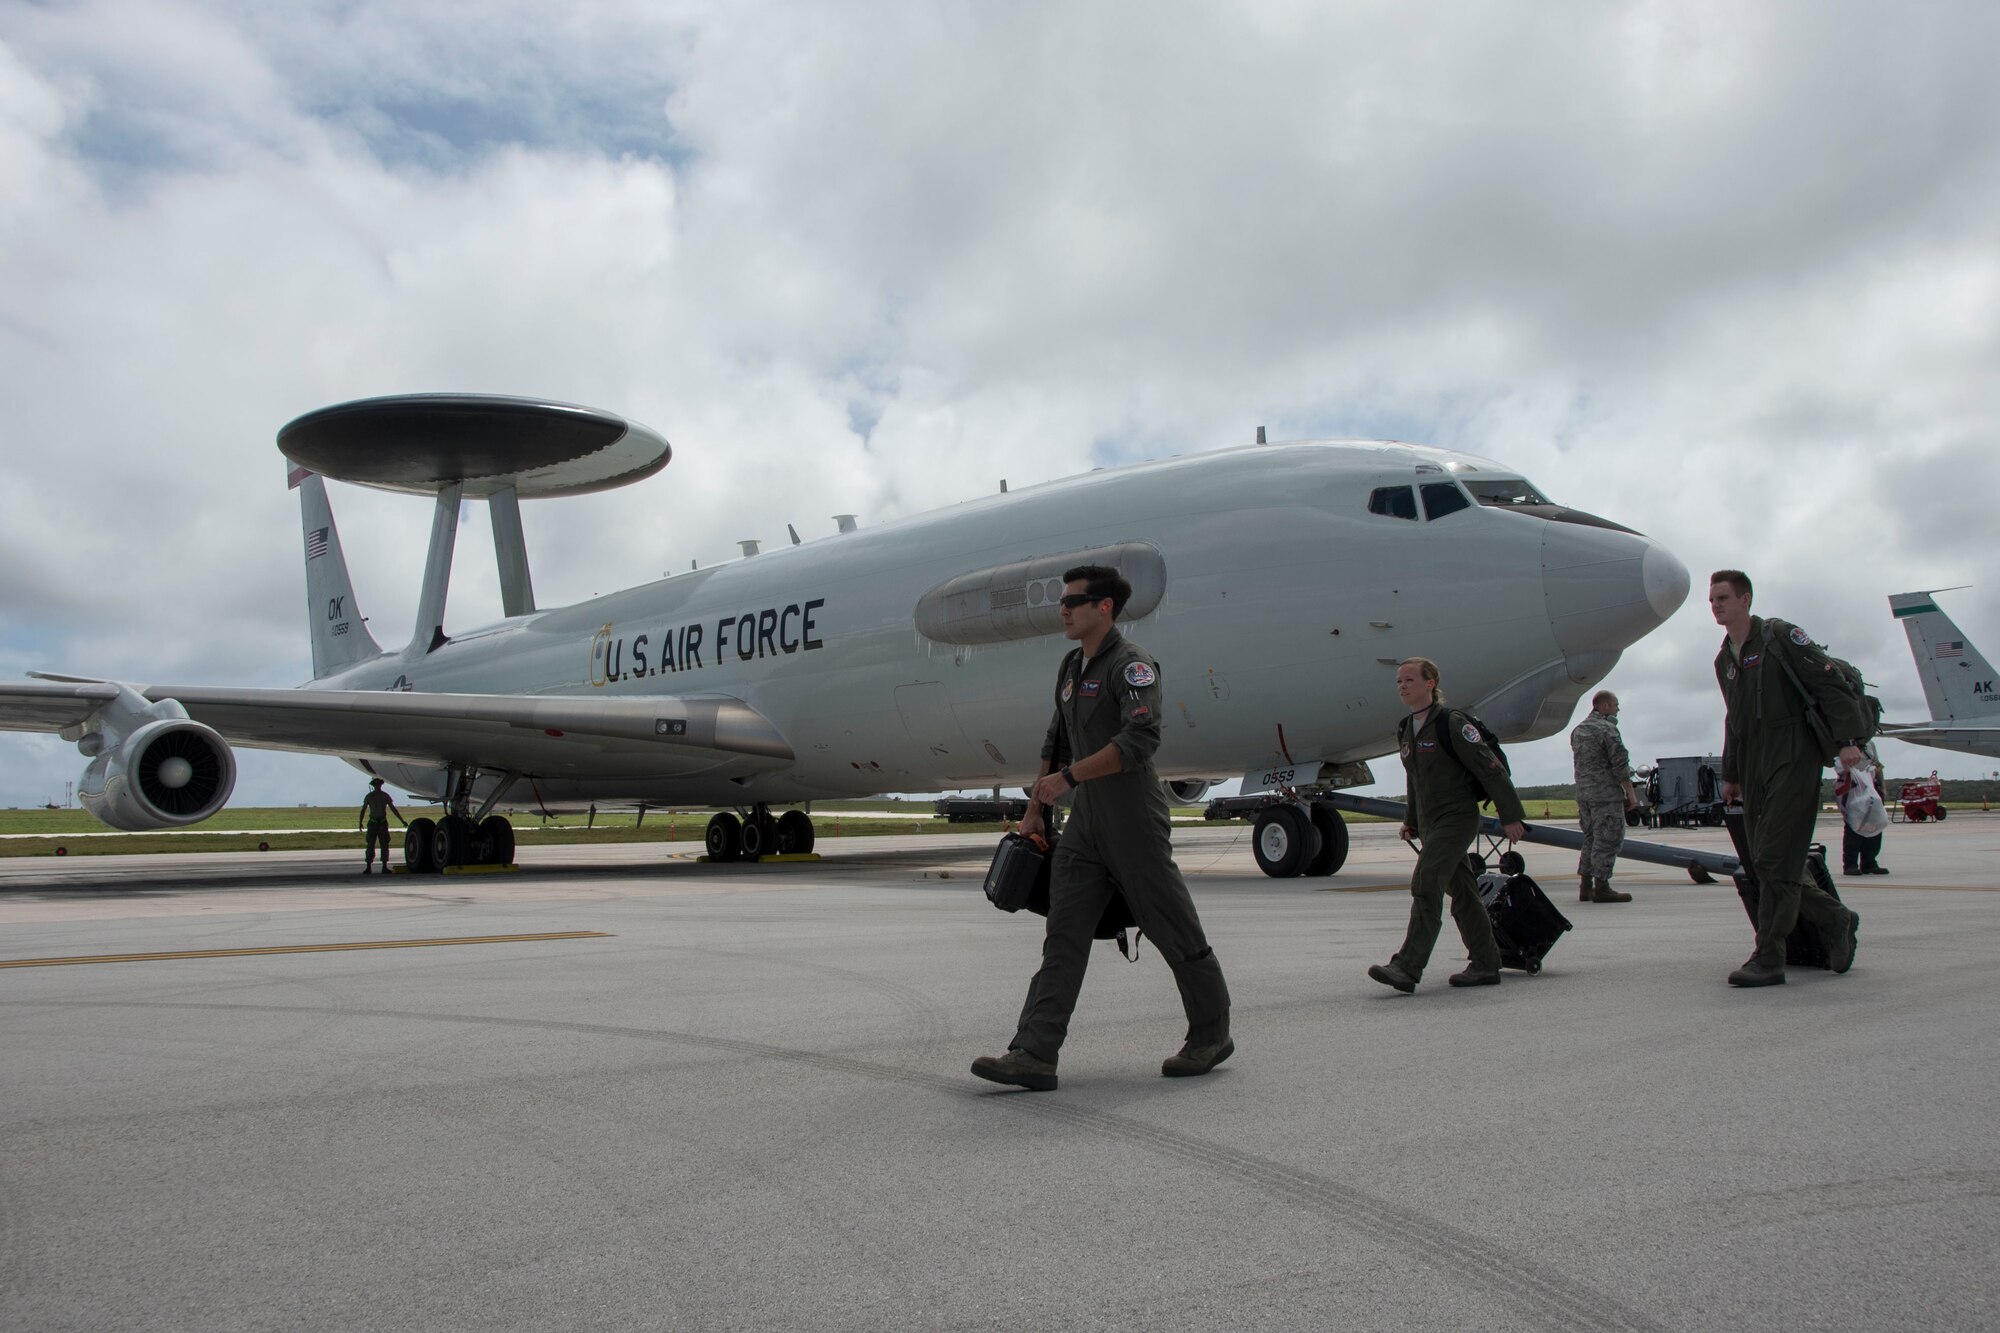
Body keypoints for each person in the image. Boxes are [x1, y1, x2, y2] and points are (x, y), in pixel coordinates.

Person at [972, 565, 1232, 1091]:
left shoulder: (1132, 667)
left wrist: (1068, 779)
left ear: (1105, 607)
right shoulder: (1072, 666)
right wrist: (1034, 809)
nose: (1063, 610)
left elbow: (1140, 743)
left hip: (1134, 819)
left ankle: (1211, 1034)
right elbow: (1057, 740)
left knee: (1173, 929)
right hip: (1086, 825)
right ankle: (1034, 1053)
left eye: (1074, 601)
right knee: (1063, 937)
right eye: (1063, 602)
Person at [1709, 570, 1866, 986]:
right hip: (1756, 761)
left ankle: (1769, 955)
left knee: (1775, 857)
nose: (1716, 605)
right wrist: (1733, 773)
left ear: (1745, 599)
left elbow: (1829, 682)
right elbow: (1735, 720)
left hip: (1794, 754)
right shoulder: (1725, 658)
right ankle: (1836, 919)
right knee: (1765, 862)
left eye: (1723, 597)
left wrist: (1849, 740)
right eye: (1712, 600)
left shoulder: (1780, 638)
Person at [1367, 657, 1526, 993]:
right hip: (1430, 822)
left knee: (1426, 883)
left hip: (1456, 818)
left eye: (1409, 679)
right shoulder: (1406, 728)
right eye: (1398, 681)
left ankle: (1407, 967)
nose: (1402, 686)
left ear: (1430, 683)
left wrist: (1510, 815)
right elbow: (1415, 780)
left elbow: (1489, 768)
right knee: (1465, 894)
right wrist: (1411, 821)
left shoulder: (1451, 723)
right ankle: (1486, 963)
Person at [1570, 690, 1640, 903]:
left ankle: (1585, 885)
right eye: (1616, 705)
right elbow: (1620, 766)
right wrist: (1631, 795)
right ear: (1606, 706)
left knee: (1590, 838)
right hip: (1606, 795)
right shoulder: (1607, 730)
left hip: (1585, 796)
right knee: (1608, 839)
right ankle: (1602, 886)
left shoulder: (1578, 730)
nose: (1618, 709)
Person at [1835, 741, 1889, 876]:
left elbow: (1877, 765)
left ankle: (1869, 862)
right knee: (1853, 827)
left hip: (1871, 787)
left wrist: (1882, 786)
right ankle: (1850, 864)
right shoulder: (1843, 743)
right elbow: (1840, 766)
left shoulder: (1869, 745)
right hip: (1853, 788)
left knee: (1874, 824)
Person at [358, 778, 407, 874]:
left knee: (384, 845)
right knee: (371, 845)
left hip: (382, 823)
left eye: (378, 784)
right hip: (373, 823)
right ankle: (369, 867)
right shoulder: (372, 796)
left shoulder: (383, 796)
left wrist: (402, 820)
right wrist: (360, 822)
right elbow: (363, 810)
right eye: (376, 784)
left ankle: (383, 867)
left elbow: (393, 809)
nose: (377, 786)